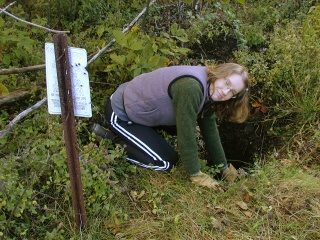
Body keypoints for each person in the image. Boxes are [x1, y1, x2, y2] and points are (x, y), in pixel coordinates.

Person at [91, 63, 250, 192]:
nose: (225, 92)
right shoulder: (191, 87)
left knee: (174, 136)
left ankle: (139, 137)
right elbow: (186, 133)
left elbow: (209, 128)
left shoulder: (211, 88)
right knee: (166, 162)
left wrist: (223, 166)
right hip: (122, 113)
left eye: (232, 92)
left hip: (141, 108)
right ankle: (109, 140)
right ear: (220, 74)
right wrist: (196, 174)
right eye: (226, 83)